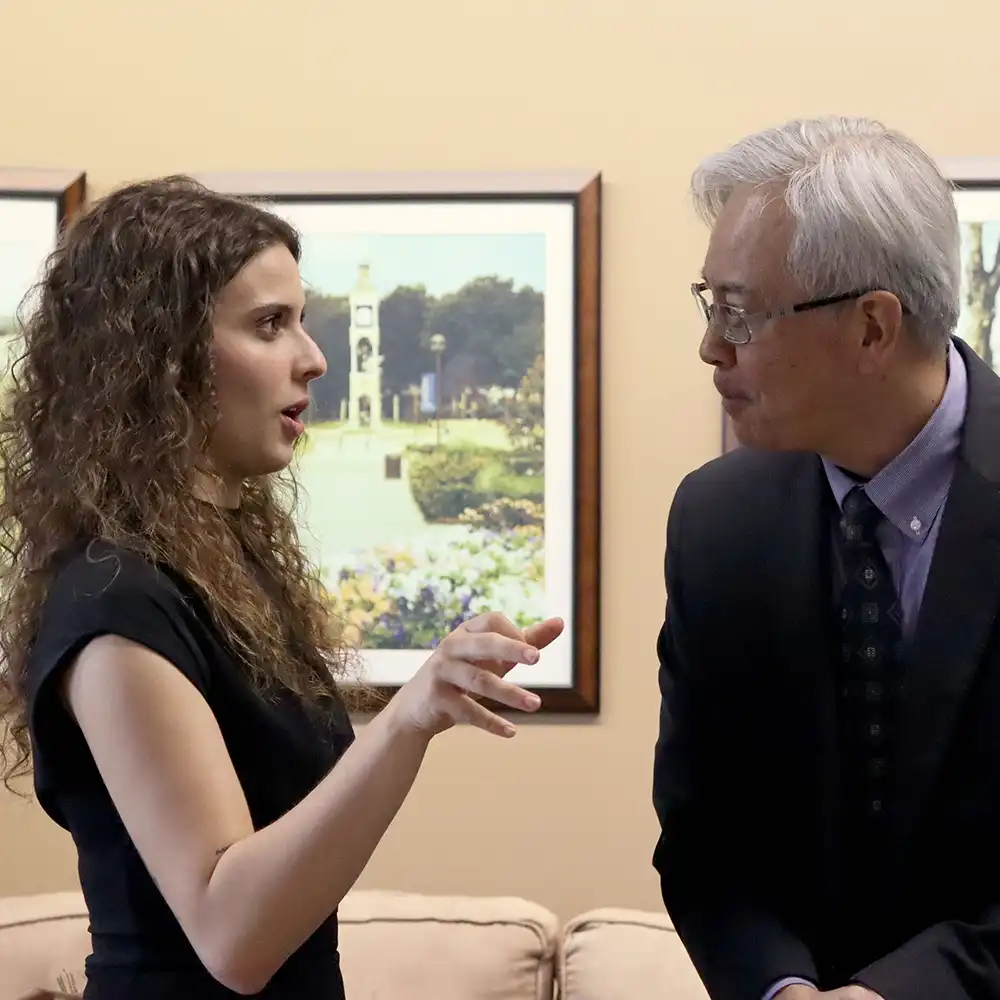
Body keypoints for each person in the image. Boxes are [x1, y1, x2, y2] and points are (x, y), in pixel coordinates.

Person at [0, 176, 564, 1000]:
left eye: (301, 320)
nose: (314, 356)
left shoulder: (217, 563)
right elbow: (232, 936)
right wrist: (409, 717)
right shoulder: (116, 605)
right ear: (161, 358)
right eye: (270, 325)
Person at [651, 115, 1000, 1000]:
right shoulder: (717, 524)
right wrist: (782, 989)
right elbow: (703, 841)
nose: (710, 346)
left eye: (740, 312)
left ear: (873, 329)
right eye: (709, 303)